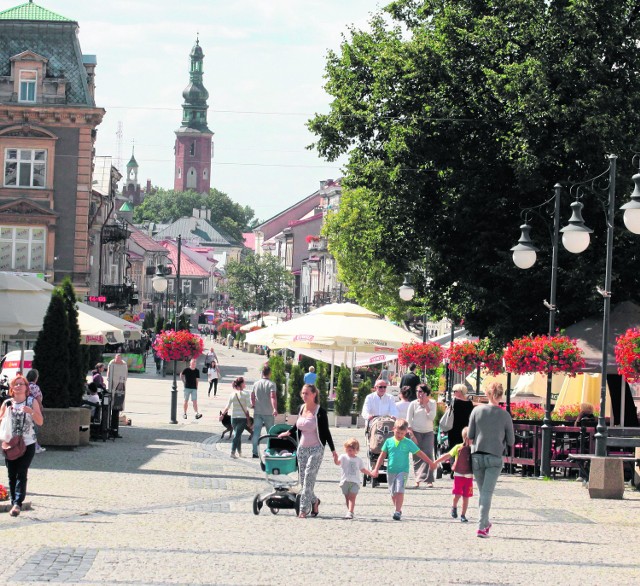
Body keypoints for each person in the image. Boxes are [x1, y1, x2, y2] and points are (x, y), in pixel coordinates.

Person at [278, 384, 338, 518]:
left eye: (307, 394)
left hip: (317, 448)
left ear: (314, 395)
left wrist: (333, 451)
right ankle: (315, 501)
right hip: (302, 448)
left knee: (309, 477)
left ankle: (303, 510)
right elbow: (298, 425)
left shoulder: (320, 412)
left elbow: (326, 432)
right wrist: (288, 432)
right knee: (305, 481)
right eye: (303, 393)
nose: (304, 396)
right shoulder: (301, 408)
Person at [468, 381, 514, 538]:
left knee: (483, 492)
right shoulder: (505, 415)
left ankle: (485, 523)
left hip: (477, 456)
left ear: (486, 394)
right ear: (501, 395)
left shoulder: (477, 411)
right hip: (494, 456)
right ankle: (481, 526)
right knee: (487, 493)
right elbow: (512, 441)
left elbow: (470, 435)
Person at [371, 418, 435, 521]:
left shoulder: (408, 442)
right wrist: (376, 469)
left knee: (399, 490)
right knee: (393, 493)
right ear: (393, 429)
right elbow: (382, 456)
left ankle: (397, 511)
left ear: (406, 432)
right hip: (391, 470)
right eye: (397, 432)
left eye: (402, 433)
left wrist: (430, 462)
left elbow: (419, 453)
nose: (400, 435)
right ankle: (398, 508)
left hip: (403, 471)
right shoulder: (388, 441)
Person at [0, 375, 44, 517]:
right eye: (16, 384)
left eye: (21, 384)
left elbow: (40, 422)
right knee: (11, 474)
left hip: (27, 442)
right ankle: (14, 502)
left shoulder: (31, 402)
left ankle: (18, 503)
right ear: (12, 388)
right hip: (10, 444)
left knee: (21, 471)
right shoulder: (7, 403)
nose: (18, 386)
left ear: (26, 388)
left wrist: (30, 411)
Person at [434, 426, 473, 522]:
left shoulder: (474, 449)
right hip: (459, 475)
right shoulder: (458, 447)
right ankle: (454, 506)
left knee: (466, 496)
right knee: (457, 494)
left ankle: (463, 515)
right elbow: (448, 455)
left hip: (469, 476)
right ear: (466, 438)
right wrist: (436, 461)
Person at [406, 383, 437, 488]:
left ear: (426, 393)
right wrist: (411, 435)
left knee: (428, 454)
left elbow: (431, 417)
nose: (418, 394)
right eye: (417, 391)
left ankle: (429, 480)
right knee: (417, 456)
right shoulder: (413, 404)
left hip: (428, 432)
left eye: (420, 392)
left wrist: (426, 404)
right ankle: (418, 479)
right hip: (416, 431)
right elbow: (408, 420)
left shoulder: (432, 403)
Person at [334, 437, 373, 519]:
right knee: (347, 497)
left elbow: (362, 469)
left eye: (352, 449)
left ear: (356, 450)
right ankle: (350, 511)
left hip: (355, 482)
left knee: (352, 497)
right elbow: (338, 463)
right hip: (345, 481)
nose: (350, 451)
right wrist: (335, 458)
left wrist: (370, 473)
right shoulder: (343, 457)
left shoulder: (358, 460)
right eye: (348, 449)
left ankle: (350, 512)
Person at [219, 377, 251, 458]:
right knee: (237, 435)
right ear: (241, 384)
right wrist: (254, 403)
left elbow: (227, 406)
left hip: (233, 418)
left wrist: (222, 415)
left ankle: (240, 453)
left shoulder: (232, 394)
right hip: (242, 418)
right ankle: (232, 452)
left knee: (238, 435)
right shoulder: (246, 394)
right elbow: (249, 405)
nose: (245, 384)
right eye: (244, 382)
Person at [251, 365, 278, 458]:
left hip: (258, 411)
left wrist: (254, 405)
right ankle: (270, 451)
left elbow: (252, 396)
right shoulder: (271, 384)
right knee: (270, 433)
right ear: (270, 373)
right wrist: (274, 408)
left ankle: (254, 452)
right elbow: (272, 397)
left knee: (256, 432)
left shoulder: (256, 384)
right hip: (268, 412)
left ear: (262, 373)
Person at [447, 383, 475, 449]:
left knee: (453, 447)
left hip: (454, 427)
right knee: (463, 446)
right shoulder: (469, 403)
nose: (453, 393)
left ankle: (454, 459)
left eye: (455, 391)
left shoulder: (455, 402)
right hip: (465, 427)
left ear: (461, 392)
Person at [107, 354, 128, 438]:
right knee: (111, 412)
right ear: (114, 358)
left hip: (120, 394)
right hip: (112, 391)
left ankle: (115, 431)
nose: (118, 360)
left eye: (119, 358)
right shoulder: (112, 364)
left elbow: (125, 376)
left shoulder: (124, 364)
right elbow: (109, 375)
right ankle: (112, 430)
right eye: (117, 358)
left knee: (116, 412)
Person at [25, 369, 45, 454]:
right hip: (33, 409)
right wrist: (41, 409)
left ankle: (31, 446)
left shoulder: (25, 386)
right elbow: (38, 399)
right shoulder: (35, 387)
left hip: (25, 408)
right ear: (36, 378)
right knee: (34, 428)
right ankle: (35, 446)